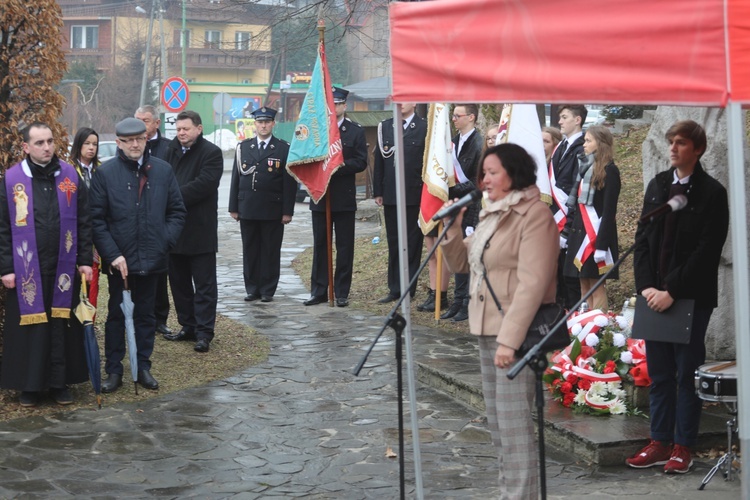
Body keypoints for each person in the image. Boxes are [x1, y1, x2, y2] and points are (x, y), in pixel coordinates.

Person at [440, 143, 558, 498]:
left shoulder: (534, 215)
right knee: (498, 426)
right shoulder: (492, 212)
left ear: (514, 173)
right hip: (486, 328)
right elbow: (464, 266)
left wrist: (509, 340)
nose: (484, 180)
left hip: (514, 334)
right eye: (483, 173)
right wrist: (452, 228)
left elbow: (533, 283)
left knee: (514, 427)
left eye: (492, 172)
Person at [627, 120, 729, 474]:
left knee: (686, 374)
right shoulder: (658, 186)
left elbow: (706, 251)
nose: (673, 148)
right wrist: (646, 288)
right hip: (653, 294)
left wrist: (671, 290)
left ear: (697, 149)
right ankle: (658, 440)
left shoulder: (712, 193)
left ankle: (682, 446)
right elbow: (642, 240)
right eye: (671, 142)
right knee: (659, 373)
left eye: (681, 142)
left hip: (689, 298)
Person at [0, 122, 93, 407]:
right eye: (39, 143)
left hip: (63, 265)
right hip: (27, 267)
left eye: (50, 141)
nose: (47, 147)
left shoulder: (70, 176)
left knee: (60, 326)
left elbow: (84, 220)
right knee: (32, 329)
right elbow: (3, 227)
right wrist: (6, 268)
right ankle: (30, 387)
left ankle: (59, 383)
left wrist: (85, 260)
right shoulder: (11, 180)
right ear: (26, 147)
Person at [90, 117, 186, 393]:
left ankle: (143, 365)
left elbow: (177, 212)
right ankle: (114, 370)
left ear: (146, 139)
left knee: (146, 316)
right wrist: (113, 255)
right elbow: (97, 220)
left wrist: (163, 242)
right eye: (129, 140)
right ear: (119, 142)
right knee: (117, 316)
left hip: (153, 259)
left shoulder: (163, 171)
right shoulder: (105, 174)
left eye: (139, 139)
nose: (135, 144)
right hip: (121, 262)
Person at [162, 110, 223, 353]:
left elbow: (204, 184)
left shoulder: (211, 153)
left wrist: (172, 197)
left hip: (200, 229)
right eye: (178, 129)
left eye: (186, 129)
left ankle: (204, 332)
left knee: (204, 285)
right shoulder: (171, 150)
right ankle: (187, 325)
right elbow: (162, 178)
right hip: (174, 230)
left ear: (198, 128)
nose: (181, 133)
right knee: (179, 283)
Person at [303, 87, 368, 307]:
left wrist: (337, 167)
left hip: (343, 197)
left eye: (338, 104)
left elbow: (361, 162)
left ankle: (341, 292)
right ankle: (319, 290)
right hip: (321, 196)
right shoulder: (317, 130)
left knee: (344, 246)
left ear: (344, 106)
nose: (334, 108)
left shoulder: (355, 131)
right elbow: (308, 157)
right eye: (330, 104)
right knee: (320, 245)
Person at [229, 107, 295, 303]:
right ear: (255, 124)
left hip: (272, 209)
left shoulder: (283, 148)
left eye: (267, 122)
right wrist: (234, 206)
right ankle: (252, 289)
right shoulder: (244, 147)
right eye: (260, 122)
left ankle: (267, 290)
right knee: (250, 250)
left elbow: (289, 183)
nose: (263, 125)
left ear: (273, 124)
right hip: (247, 207)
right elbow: (236, 178)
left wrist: (287, 211)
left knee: (270, 250)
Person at [561, 126, 620, 311]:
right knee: (583, 286)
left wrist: (601, 245)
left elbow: (609, 211)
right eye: (584, 140)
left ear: (600, 144)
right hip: (580, 236)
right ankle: (584, 330)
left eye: (588, 141)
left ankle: (598, 330)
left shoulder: (610, 171)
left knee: (596, 286)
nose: (584, 144)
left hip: (596, 237)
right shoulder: (585, 168)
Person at [372, 102, 426, 303]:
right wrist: (378, 191)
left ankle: (408, 288)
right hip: (391, 194)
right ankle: (394, 288)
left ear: (415, 103)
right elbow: (379, 162)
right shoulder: (386, 126)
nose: (401, 104)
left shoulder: (423, 127)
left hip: (414, 194)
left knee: (412, 242)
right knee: (394, 241)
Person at [440, 103, 483, 322]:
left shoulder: (479, 143)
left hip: (473, 206)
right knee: (457, 252)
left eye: (458, 115)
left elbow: (478, 180)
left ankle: (468, 302)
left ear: (471, 117)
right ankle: (457, 301)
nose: (454, 119)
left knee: (470, 255)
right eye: (453, 115)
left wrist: (455, 189)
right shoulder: (453, 143)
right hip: (456, 206)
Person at [135, 105, 172, 337]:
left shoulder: (168, 148)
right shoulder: (132, 145)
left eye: (146, 120)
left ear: (156, 123)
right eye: (138, 120)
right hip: (136, 219)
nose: (142, 125)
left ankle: (160, 318)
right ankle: (141, 316)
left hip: (160, 218)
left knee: (160, 273)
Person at [551, 104, 587, 310]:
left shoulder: (582, 148)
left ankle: (573, 326)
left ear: (578, 119)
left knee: (570, 279)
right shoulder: (561, 148)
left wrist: (566, 228)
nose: (560, 121)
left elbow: (577, 188)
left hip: (571, 222)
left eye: (564, 117)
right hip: (555, 218)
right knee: (556, 278)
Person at [70, 127, 102, 310]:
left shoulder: (100, 170)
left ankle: (89, 321)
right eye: (87, 143)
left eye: (95, 144)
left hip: (96, 232)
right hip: (75, 230)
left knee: (93, 279)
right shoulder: (68, 170)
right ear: (78, 145)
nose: (91, 148)